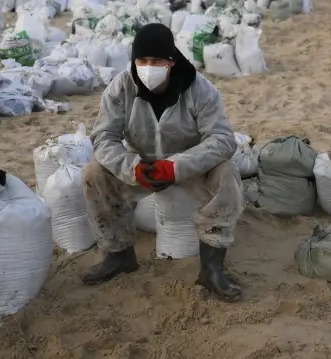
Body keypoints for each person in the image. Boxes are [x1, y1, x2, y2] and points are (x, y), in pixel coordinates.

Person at [82, 23, 244, 301]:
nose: (148, 67)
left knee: (227, 172)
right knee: (94, 172)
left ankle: (212, 268)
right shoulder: (122, 86)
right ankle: (119, 254)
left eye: (156, 61)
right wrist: (131, 167)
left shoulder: (200, 89)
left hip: (191, 165)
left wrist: (177, 166)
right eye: (141, 60)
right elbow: (104, 137)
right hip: (141, 164)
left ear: (171, 61)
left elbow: (222, 139)